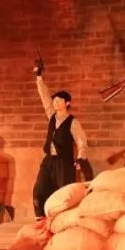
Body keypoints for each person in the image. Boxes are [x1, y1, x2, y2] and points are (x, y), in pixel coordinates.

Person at [33, 65, 89, 219]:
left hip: (64, 163)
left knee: (63, 194)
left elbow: (82, 142)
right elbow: (44, 97)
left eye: (59, 100)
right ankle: (40, 219)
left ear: (67, 103)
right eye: (55, 100)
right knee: (39, 190)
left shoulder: (73, 122)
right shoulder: (51, 115)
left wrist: (80, 159)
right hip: (48, 160)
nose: (55, 102)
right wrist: (39, 77)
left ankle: (62, 222)